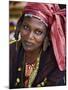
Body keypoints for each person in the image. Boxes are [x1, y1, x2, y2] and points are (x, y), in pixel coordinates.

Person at [9, 2, 66, 89]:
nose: (29, 37)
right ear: (19, 26)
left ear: (46, 36)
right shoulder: (9, 51)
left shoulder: (56, 62)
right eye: (26, 27)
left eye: (38, 32)